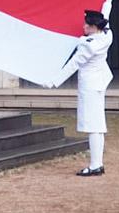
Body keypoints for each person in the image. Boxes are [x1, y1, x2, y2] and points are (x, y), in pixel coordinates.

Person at [45, 10, 113, 177]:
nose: (83, 26)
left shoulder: (89, 45)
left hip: (90, 86)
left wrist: (54, 81)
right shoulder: (106, 34)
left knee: (93, 125)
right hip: (98, 83)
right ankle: (98, 164)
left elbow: (73, 64)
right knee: (97, 125)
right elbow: (106, 16)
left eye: (86, 25)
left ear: (94, 27)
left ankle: (95, 165)